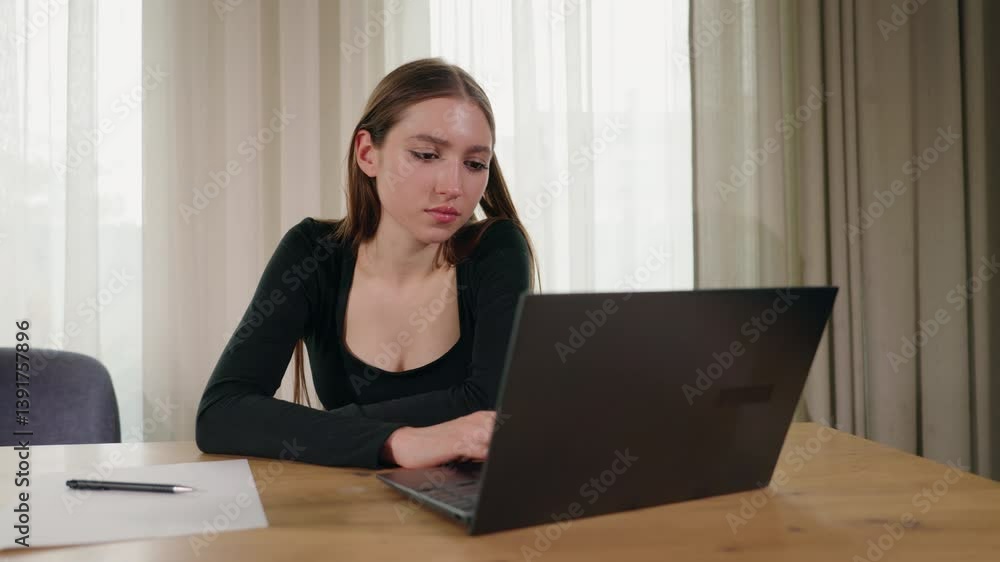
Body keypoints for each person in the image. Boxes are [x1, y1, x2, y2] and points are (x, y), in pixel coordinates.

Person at [195, 58, 538, 470]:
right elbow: (221, 414)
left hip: (466, 513)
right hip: (349, 509)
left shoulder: (495, 249)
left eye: (474, 164)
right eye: (427, 154)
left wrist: (323, 431)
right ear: (367, 154)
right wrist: (397, 443)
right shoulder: (313, 253)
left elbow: (489, 406)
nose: (453, 187)